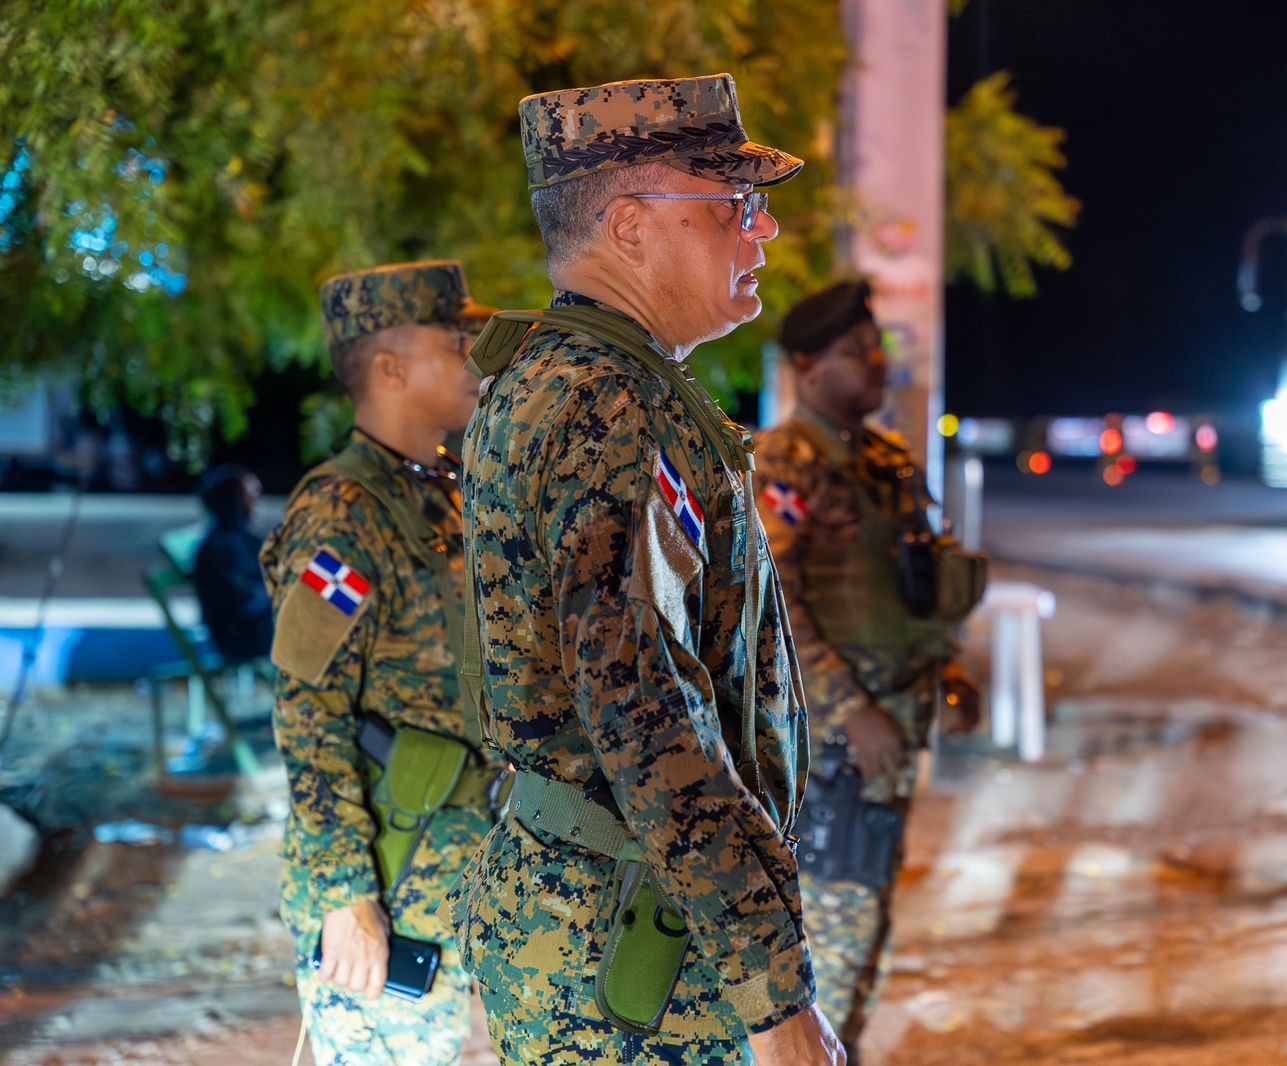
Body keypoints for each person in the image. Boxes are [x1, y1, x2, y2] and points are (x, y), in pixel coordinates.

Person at [449, 74, 844, 1066]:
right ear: (630, 226)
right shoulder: (605, 406)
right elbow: (644, 705)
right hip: (632, 947)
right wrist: (770, 991)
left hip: (609, 916)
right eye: (735, 208)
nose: (765, 234)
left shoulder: (572, 377)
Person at [260, 260, 504, 1064]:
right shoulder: (344, 511)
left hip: (454, 874)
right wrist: (343, 897)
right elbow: (307, 707)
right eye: (455, 339)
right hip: (389, 887)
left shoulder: (444, 491)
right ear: (391, 368)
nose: (477, 355)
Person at [753, 280, 983, 1058]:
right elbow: (773, 605)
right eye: (858, 352)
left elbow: (917, 591)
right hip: (832, 754)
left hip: (890, 743)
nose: (878, 363)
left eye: (877, 346)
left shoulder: (885, 461)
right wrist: (851, 707)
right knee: (827, 962)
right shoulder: (786, 464)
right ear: (808, 366)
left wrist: (945, 676)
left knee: (867, 946)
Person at [193, 463, 273, 664]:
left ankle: (356, 601)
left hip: (261, 624)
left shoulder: (243, 541)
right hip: (242, 636)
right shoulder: (221, 547)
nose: (256, 501)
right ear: (233, 500)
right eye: (250, 494)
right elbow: (245, 600)